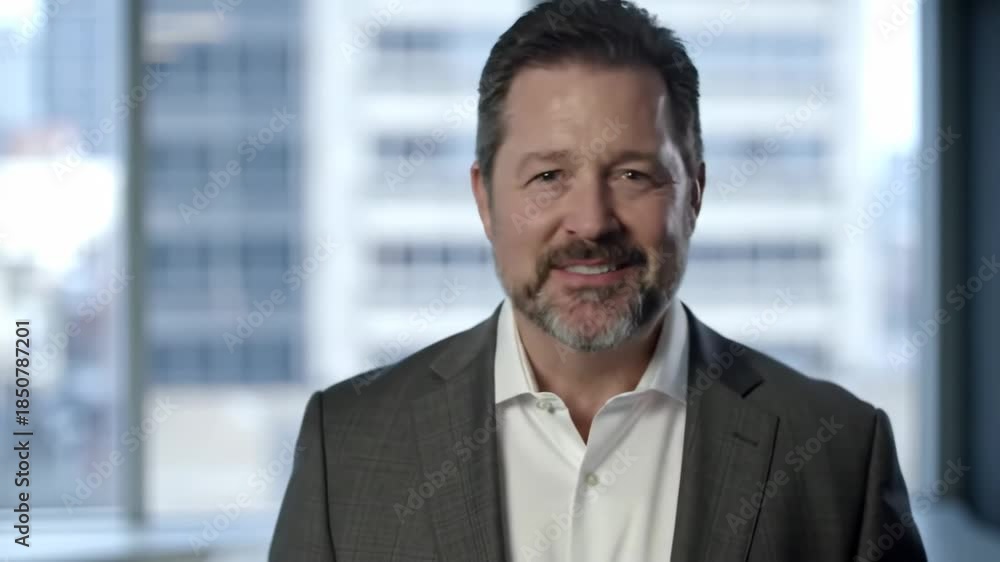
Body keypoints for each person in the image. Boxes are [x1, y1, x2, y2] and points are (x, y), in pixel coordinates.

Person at [270, 1, 928, 560]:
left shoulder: (839, 452)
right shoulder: (346, 445)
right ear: (484, 200)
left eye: (633, 174)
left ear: (694, 195)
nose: (590, 221)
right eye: (548, 176)